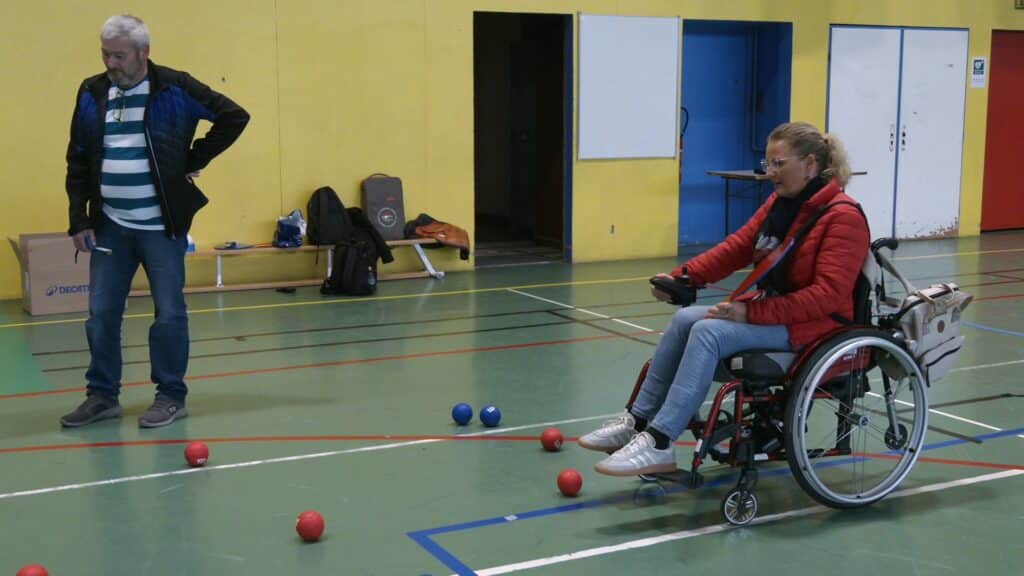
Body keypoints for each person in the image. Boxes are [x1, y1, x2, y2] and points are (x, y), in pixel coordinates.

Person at [579, 122, 869, 476]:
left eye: (779, 164)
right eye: (767, 164)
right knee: (684, 319)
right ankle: (637, 420)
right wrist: (682, 278)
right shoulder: (781, 205)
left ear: (809, 164)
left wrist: (751, 313)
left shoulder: (842, 217)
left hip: (816, 328)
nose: (770, 173)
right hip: (778, 313)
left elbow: (827, 296)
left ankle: (660, 441)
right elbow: (737, 248)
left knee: (709, 332)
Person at [61, 14, 249, 428]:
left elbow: (234, 116)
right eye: (105, 54)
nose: (111, 63)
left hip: (161, 227)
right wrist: (79, 219)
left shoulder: (175, 87)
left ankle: (170, 396)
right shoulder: (92, 91)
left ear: (143, 52)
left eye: (119, 55)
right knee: (101, 314)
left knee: (169, 314)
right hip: (109, 226)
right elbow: (78, 158)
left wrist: (192, 158)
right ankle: (102, 396)